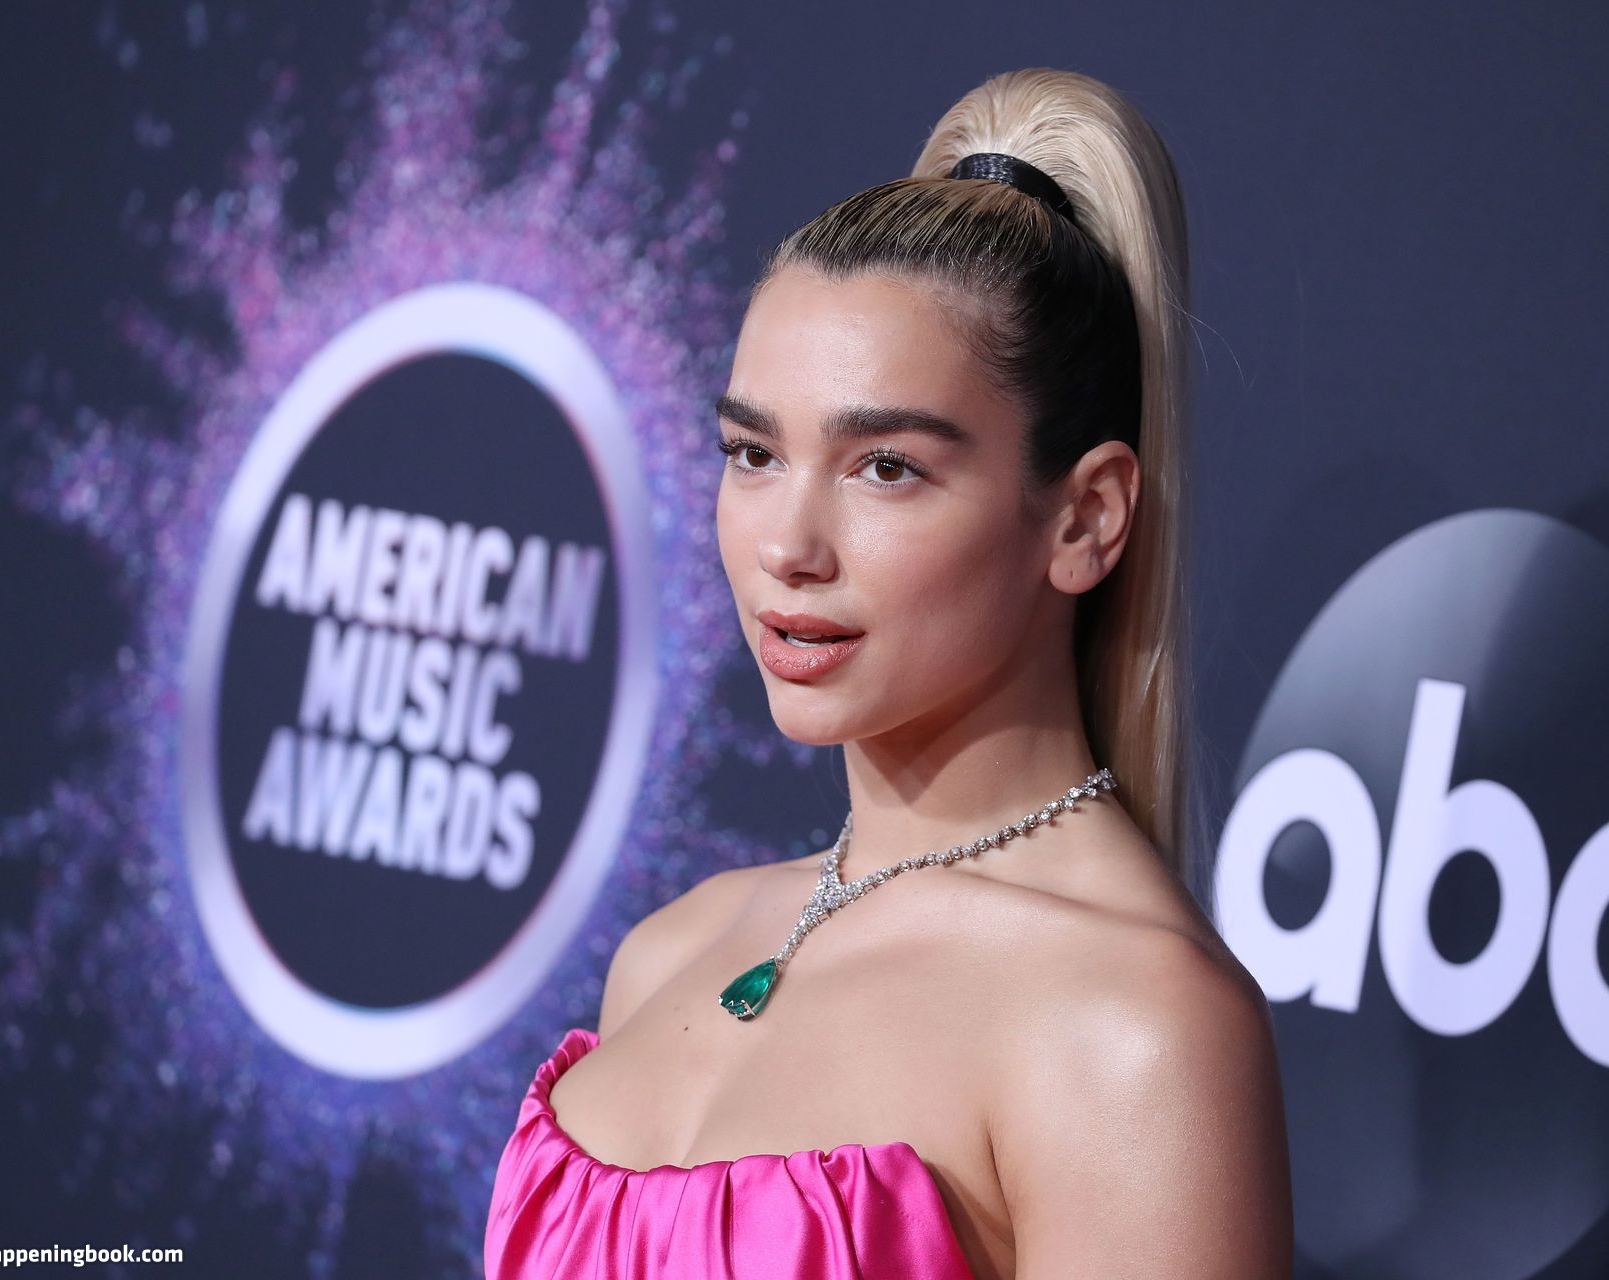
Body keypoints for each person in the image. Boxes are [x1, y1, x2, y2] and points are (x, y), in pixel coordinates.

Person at [485, 66, 1292, 1279]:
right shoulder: (668, 952)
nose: (787, 546)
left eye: (886, 468)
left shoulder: (1133, 1030)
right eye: (753, 452)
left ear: (1086, 518)